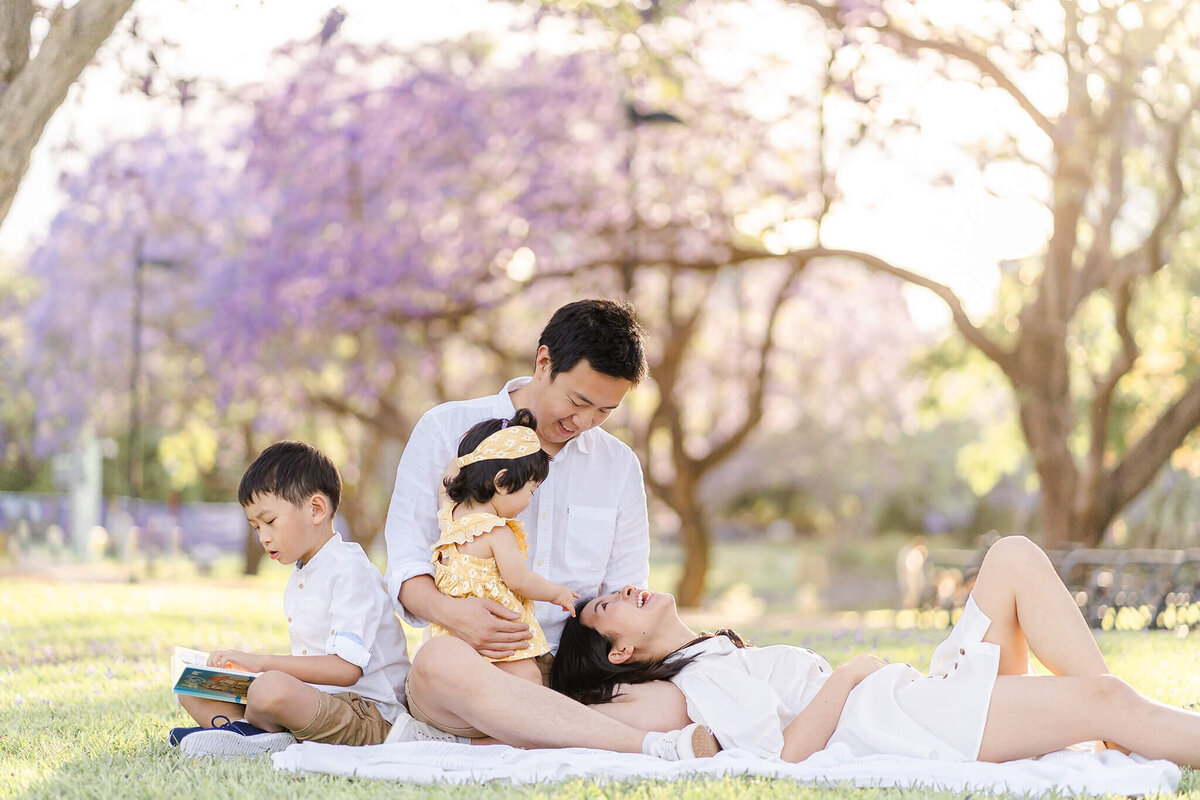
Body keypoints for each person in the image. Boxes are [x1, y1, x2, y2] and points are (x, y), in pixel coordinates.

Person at [384, 299, 713, 759]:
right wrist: (457, 617)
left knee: (672, 704)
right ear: (544, 362)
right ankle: (641, 746)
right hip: (472, 659)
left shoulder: (617, 465)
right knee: (438, 664)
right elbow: (406, 565)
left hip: (573, 674)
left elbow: (624, 590)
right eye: (578, 401)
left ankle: (495, 737)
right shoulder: (445, 429)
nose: (584, 423)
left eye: (604, 411)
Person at [552, 535, 1200, 768]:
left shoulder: (714, 653)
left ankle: (1122, 732)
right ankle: (1122, 722)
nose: (628, 590)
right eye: (609, 606)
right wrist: (854, 672)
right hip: (901, 719)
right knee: (1104, 698)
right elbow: (784, 756)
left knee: (1013, 558)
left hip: (911, 698)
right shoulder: (694, 683)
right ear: (621, 652)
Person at [170, 441, 410, 758]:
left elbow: (346, 671)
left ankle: (245, 735)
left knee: (270, 688)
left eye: (270, 521)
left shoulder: (350, 571)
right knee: (194, 689)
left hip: (371, 717)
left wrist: (261, 664)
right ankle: (249, 736)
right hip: (321, 703)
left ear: (316, 509)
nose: (263, 536)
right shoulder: (302, 574)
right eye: (255, 526)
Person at [431, 409, 580, 685]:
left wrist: (474, 456)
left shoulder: (449, 515)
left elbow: (450, 473)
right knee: (529, 680)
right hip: (500, 635)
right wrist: (556, 593)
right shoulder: (497, 531)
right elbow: (519, 580)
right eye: (530, 491)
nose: (529, 501)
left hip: (457, 635)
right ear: (501, 482)